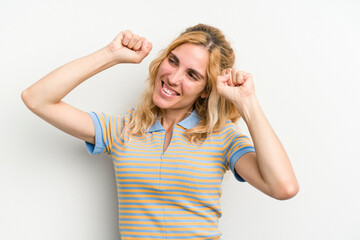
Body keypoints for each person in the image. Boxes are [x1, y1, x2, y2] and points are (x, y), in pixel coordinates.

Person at [22, 24, 299, 240]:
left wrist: (247, 101)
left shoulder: (223, 138)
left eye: (193, 75)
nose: (173, 78)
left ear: (206, 91)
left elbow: (284, 187)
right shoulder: (123, 130)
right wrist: (110, 55)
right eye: (173, 61)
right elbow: (36, 98)